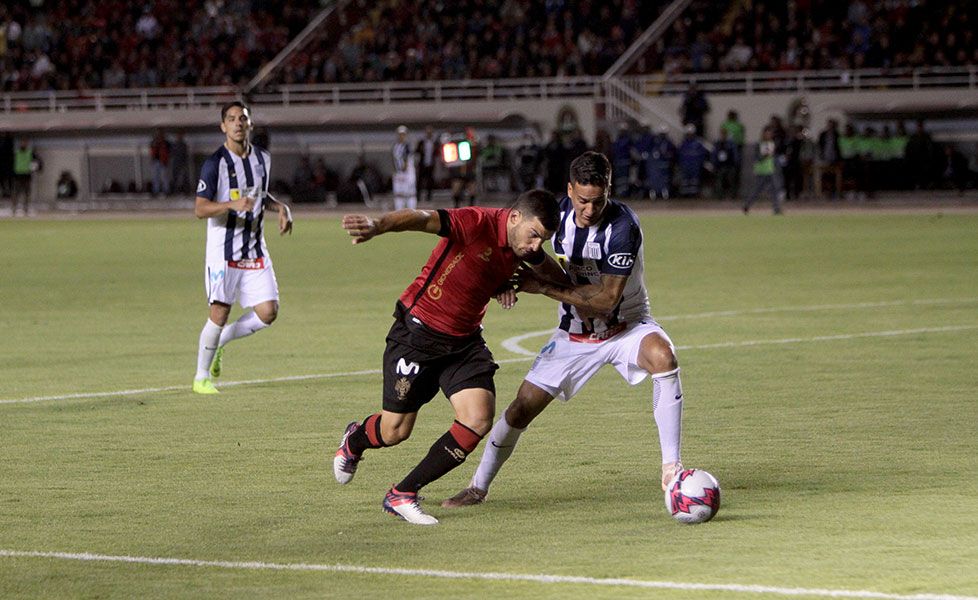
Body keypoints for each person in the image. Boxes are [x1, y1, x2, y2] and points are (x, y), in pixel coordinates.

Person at [441, 151, 687, 511]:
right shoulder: (557, 218)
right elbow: (520, 251)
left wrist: (540, 287)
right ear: (570, 190)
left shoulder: (623, 228)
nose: (589, 209)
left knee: (663, 356)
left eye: (598, 200)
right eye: (583, 200)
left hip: (626, 326)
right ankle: (477, 487)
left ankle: (671, 469)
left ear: (609, 190)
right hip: (573, 335)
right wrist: (504, 282)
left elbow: (605, 301)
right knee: (521, 409)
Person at [333, 191, 561, 525]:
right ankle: (355, 440)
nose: (536, 246)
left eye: (544, 240)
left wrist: (518, 282)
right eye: (535, 235)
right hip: (417, 334)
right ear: (514, 217)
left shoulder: (524, 246)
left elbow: (554, 276)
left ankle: (403, 493)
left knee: (479, 418)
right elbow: (421, 218)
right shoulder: (475, 222)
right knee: (394, 431)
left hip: (464, 343)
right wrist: (378, 224)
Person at [191, 101, 294, 395]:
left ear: (250, 124)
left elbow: (259, 195)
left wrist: (280, 207)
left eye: (243, 118)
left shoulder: (262, 158)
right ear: (223, 126)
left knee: (268, 311)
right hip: (224, 253)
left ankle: (221, 341)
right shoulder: (215, 164)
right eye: (232, 119)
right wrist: (229, 205)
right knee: (219, 312)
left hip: (254, 250)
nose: (238, 123)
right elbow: (200, 209)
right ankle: (201, 378)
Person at [743, 126, 782, 215]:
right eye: (767, 133)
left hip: (770, 170)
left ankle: (776, 208)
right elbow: (758, 158)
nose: (768, 135)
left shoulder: (772, 144)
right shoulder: (759, 144)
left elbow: (773, 158)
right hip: (761, 171)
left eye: (770, 134)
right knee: (757, 190)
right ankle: (747, 205)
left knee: (774, 189)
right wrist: (765, 155)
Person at [392, 125, 417, 210]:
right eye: (400, 134)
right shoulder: (395, 146)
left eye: (403, 134)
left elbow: (407, 158)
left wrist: (404, 168)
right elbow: (394, 159)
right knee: (398, 193)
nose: (401, 136)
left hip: (407, 172)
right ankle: (399, 210)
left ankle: (411, 210)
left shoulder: (408, 146)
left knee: (410, 193)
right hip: (398, 172)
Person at [12, 138, 35, 216]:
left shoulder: (30, 153)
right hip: (18, 175)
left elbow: (36, 162)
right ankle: (14, 208)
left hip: (27, 175)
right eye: (22, 143)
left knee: (27, 193)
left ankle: (26, 209)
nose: (23, 144)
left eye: (25, 143)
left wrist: (34, 167)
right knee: (16, 193)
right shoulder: (16, 153)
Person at [415, 126, 438, 203]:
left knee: (430, 181)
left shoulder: (434, 142)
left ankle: (429, 197)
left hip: (431, 164)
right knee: (420, 181)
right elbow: (416, 151)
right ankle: (418, 196)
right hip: (422, 164)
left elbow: (437, 153)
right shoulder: (422, 142)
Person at [149, 129, 170, 196]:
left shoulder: (166, 143)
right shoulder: (154, 142)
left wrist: (166, 160)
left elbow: (168, 152)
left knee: (164, 177)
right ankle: (156, 190)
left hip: (163, 161)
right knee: (155, 177)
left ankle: (166, 190)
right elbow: (152, 151)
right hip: (156, 161)